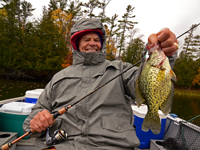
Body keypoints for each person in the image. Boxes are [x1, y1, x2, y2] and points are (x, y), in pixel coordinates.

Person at [23, 18, 178, 150]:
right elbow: (30, 122)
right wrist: (37, 121)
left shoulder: (121, 70)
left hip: (114, 146)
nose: (92, 43)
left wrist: (162, 54)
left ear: (102, 44)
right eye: (87, 39)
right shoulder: (59, 78)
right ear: (76, 43)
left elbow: (147, 85)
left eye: (97, 40)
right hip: (64, 146)